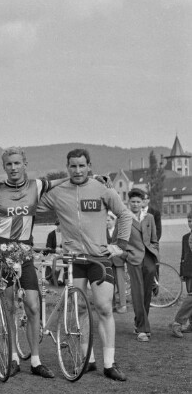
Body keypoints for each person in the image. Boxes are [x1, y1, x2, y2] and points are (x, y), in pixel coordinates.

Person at [38, 148, 132, 381]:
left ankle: (109, 364)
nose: (77, 170)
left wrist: (119, 246)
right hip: (74, 261)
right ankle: (87, 359)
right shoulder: (58, 192)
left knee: (103, 307)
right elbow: (32, 200)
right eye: (73, 166)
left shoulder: (102, 188)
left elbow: (125, 214)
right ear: (67, 167)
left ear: (89, 165)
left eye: (82, 165)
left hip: (99, 259)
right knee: (79, 309)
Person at [0, 147, 68, 379]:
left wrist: (91, 178)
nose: (14, 168)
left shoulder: (36, 186)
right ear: (4, 167)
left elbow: (62, 181)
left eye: (17, 163)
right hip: (2, 251)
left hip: (25, 250)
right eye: (9, 164)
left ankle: (36, 360)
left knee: (33, 305)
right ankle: (14, 356)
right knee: (9, 306)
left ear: (25, 163)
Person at [124, 188, 159, 342]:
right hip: (133, 259)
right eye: (133, 202)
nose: (136, 204)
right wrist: (127, 255)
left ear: (143, 202)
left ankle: (139, 323)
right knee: (137, 293)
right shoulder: (124, 218)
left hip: (149, 259)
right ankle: (143, 329)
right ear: (128, 202)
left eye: (138, 201)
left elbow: (154, 240)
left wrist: (155, 253)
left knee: (146, 294)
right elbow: (117, 241)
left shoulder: (149, 217)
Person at [171, 211, 192, 338]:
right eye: (189, 221)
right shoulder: (185, 237)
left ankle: (179, 322)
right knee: (191, 298)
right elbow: (183, 256)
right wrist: (182, 271)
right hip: (189, 271)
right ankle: (178, 322)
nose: (191, 223)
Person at [106, 211, 127, 314]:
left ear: (114, 220)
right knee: (110, 285)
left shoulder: (119, 231)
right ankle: (112, 304)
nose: (107, 222)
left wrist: (110, 247)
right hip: (108, 261)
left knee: (120, 284)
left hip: (118, 260)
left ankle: (123, 305)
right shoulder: (103, 231)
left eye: (109, 220)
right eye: (105, 220)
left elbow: (121, 244)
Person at [45, 219, 65, 285]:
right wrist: (56, 251)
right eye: (60, 225)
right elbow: (48, 247)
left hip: (63, 254)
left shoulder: (65, 235)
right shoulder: (51, 234)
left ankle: (60, 278)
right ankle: (51, 278)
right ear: (57, 225)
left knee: (65, 262)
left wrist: (63, 250)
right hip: (53, 254)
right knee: (52, 262)